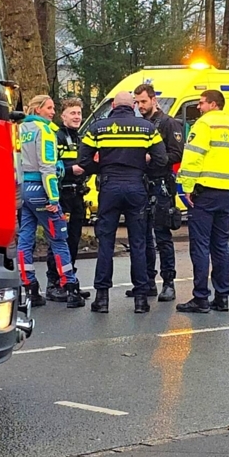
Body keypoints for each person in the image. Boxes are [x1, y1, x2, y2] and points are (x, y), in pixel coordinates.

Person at [79, 91, 167, 313]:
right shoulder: (147, 128)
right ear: (133, 106)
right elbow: (161, 159)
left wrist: (102, 168)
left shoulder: (98, 128)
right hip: (137, 187)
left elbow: (83, 160)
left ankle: (102, 299)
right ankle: (141, 299)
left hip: (109, 187)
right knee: (138, 243)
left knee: (106, 243)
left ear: (113, 105)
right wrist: (142, 169)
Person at [176, 90, 229, 314]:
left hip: (205, 192)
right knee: (220, 246)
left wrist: (186, 187)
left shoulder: (204, 125)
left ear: (214, 104)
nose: (199, 107)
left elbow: (193, 157)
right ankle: (222, 297)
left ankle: (200, 298)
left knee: (200, 245)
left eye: (201, 103)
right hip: (227, 192)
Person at [16, 95, 77, 308]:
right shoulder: (45, 131)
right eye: (49, 108)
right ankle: (70, 287)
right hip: (41, 189)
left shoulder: (19, 129)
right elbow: (47, 167)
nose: (52, 112)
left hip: (24, 189)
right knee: (59, 238)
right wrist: (53, 197)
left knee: (25, 239)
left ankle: (29, 287)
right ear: (38, 109)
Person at [130, 83, 185, 303]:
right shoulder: (140, 124)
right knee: (143, 235)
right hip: (141, 184)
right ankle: (148, 282)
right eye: (137, 102)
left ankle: (169, 283)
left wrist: (153, 158)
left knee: (162, 235)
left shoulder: (169, 123)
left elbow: (177, 153)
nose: (140, 106)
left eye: (143, 101)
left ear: (154, 100)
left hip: (161, 184)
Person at [45, 98, 90, 307]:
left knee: (73, 239)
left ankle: (69, 280)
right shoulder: (57, 136)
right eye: (72, 113)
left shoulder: (80, 137)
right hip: (62, 194)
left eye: (79, 113)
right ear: (62, 115)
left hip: (77, 195)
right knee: (58, 239)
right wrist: (72, 170)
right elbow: (50, 164)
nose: (77, 117)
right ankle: (53, 283)